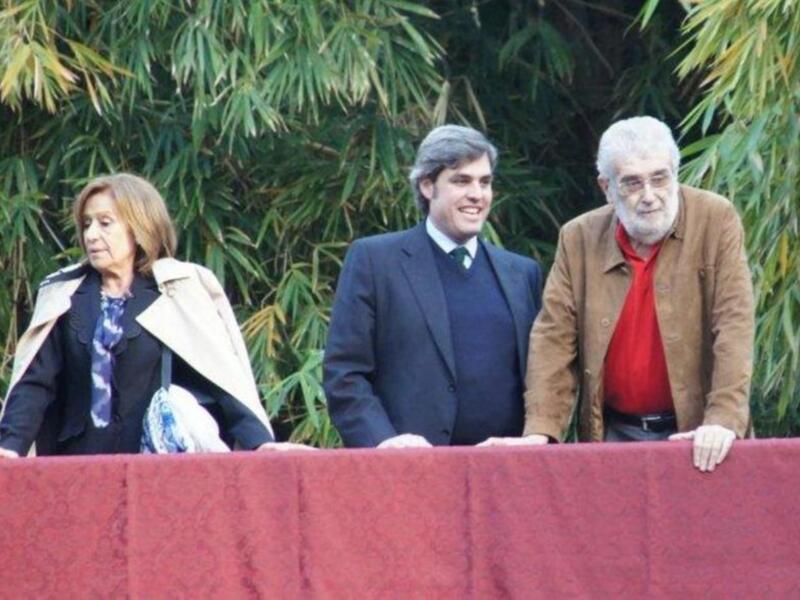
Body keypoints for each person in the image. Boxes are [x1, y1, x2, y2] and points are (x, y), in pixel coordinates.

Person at [483, 116, 754, 472]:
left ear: (676, 172)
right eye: (631, 183)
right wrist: (541, 431)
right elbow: (554, 337)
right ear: (607, 188)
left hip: (699, 434)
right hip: (612, 434)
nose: (649, 196)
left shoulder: (715, 218)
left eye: (660, 178)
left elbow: (734, 323)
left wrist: (722, 419)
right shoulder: (578, 237)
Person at [0, 173, 308, 457]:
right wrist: (9, 448)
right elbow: (34, 384)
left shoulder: (175, 291)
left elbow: (217, 377)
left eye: (105, 223)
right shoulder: (64, 294)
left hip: (155, 471)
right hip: (78, 467)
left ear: (139, 227)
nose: (92, 234)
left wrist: (261, 443)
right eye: (87, 224)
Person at [323, 125, 543, 448]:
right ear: (427, 186)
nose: (477, 194)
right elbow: (345, 374)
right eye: (461, 180)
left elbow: (543, 376)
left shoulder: (522, 273)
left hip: (506, 477)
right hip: (408, 475)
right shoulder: (375, 261)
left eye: (485, 182)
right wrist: (384, 444)